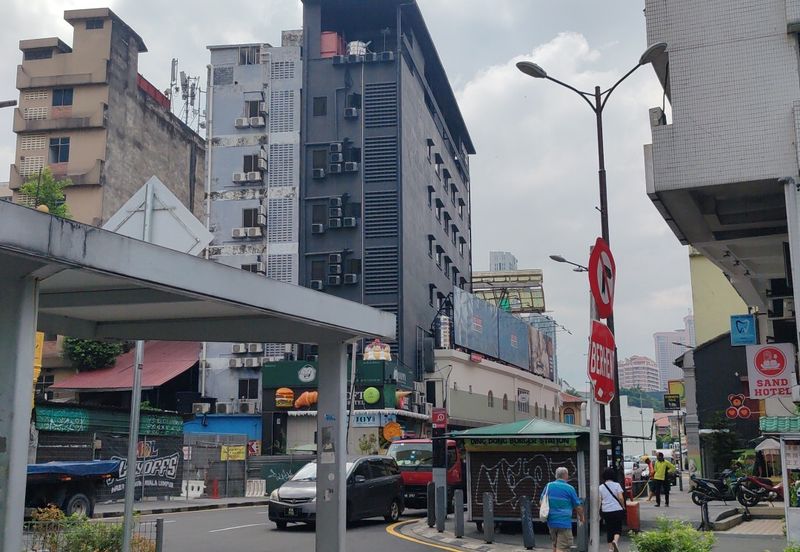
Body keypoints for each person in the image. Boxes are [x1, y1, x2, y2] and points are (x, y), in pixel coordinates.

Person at [542, 466, 585, 552]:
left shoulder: (548, 486)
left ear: (556, 475)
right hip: (564, 522)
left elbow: (542, 502)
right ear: (566, 475)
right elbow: (578, 506)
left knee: (555, 545)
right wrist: (582, 517)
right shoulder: (569, 488)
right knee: (563, 548)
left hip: (551, 522)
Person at [599, 467, 625, 552]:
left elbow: (599, 500)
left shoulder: (601, 487)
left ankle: (610, 549)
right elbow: (621, 498)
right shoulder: (617, 485)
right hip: (617, 509)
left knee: (609, 529)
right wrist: (623, 506)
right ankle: (615, 541)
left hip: (606, 511)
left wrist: (598, 511)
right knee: (617, 528)